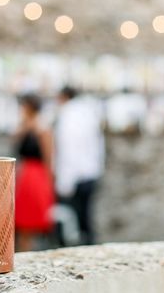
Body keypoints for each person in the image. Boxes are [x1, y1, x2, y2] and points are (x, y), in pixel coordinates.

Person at [55, 86, 105, 245]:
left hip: (75, 175)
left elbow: (68, 148)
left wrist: (65, 181)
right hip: (90, 172)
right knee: (85, 216)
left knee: (71, 218)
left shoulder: (68, 116)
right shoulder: (88, 113)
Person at [14, 94, 54, 251]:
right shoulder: (24, 127)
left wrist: (49, 183)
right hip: (23, 174)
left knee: (29, 221)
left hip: (35, 176)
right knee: (21, 220)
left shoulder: (43, 129)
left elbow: (48, 157)